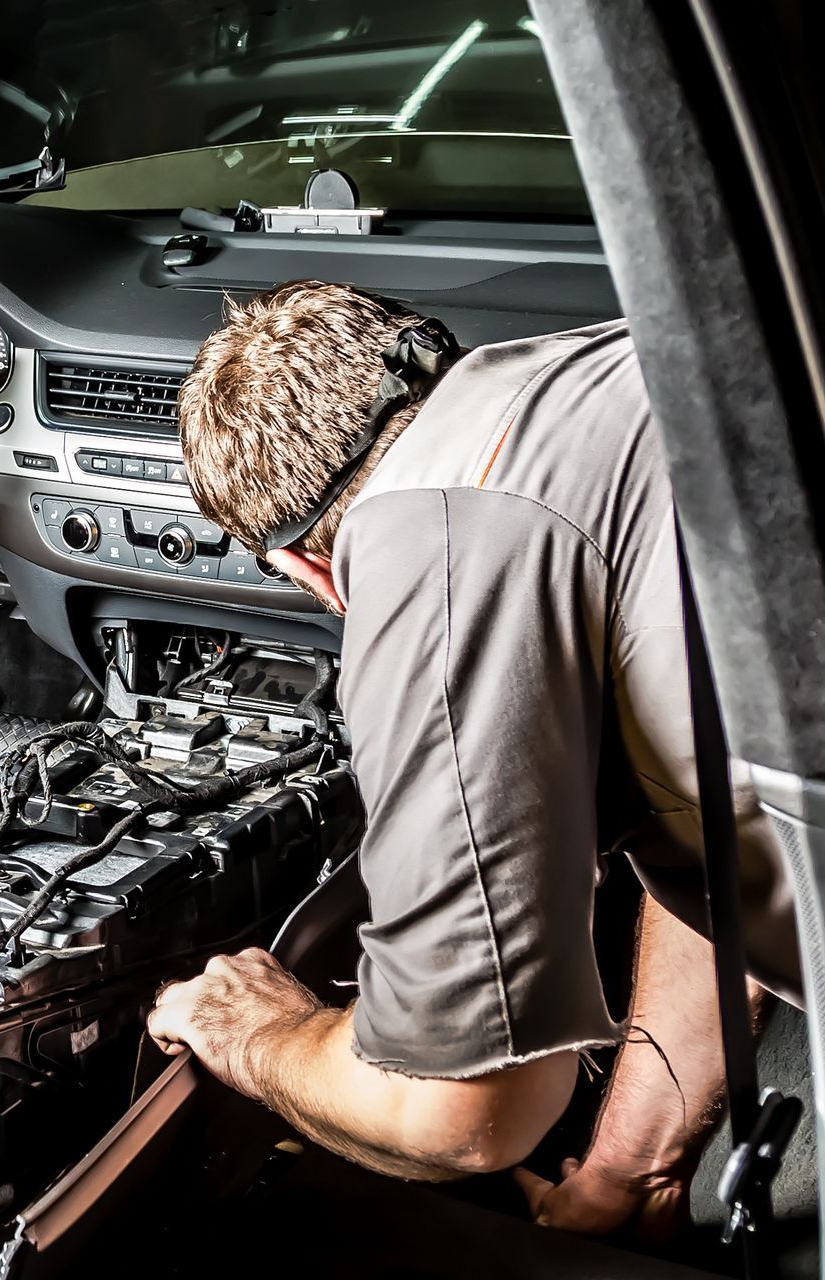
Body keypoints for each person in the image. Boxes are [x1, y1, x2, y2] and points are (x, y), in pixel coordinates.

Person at [148, 281, 800, 1236]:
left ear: (302, 571)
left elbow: (464, 1113)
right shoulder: (603, 363)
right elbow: (719, 816)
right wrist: (625, 1173)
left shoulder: (436, 556)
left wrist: (254, 1031)